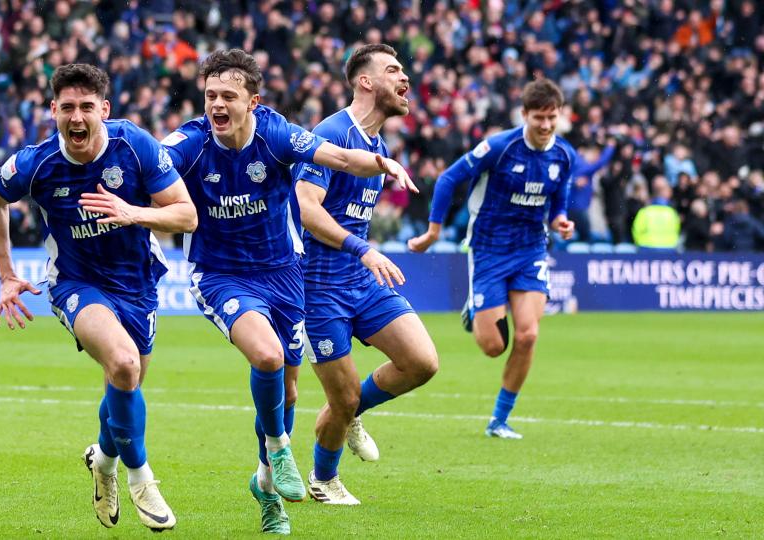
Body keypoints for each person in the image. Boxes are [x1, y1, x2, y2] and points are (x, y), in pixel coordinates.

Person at [162, 48, 415, 535]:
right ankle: (279, 449)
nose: (216, 104)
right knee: (269, 357)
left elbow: (340, 157)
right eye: (210, 94)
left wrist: (382, 162)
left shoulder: (276, 133)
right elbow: (150, 170)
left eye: (228, 96)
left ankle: (266, 489)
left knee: (291, 389)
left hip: (283, 273)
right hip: (220, 274)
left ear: (252, 102)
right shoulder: (190, 144)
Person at [0, 64, 197, 532]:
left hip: (137, 285)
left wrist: (131, 212)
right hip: (75, 283)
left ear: (104, 109)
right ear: (52, 110)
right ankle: (142, 479)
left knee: (125, 385)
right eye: (67, 108)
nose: (76, 118)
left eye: (85, 107)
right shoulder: (36, 164)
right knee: (122, 365)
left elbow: (186, 215)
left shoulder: (134, 146)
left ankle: (102, 462)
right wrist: (6, 275)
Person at [292, 44, 438, 505]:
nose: (405, 79)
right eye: (393, 70)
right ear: (365, 81)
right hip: (318, 288)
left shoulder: (379, 146)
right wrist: (363, 248)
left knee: (421, 362)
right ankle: (323, 479)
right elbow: (306, 208)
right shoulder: (332, 133)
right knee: (343, 396)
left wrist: (362, 253)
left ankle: (352, 410)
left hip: (361, 279)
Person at [409, 79, 576, 439]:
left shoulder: (564, 155)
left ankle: (499, 419)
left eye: (552, 118)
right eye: (539, 118)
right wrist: (434, 232)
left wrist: (560, 220)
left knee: (528, 335)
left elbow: (559, 199)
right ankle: (475, 309)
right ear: (524, 115)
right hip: (488, 250)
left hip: (531, 249)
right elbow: (448, 179)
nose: (546, 126)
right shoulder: (500, 148)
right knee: (493, 347)